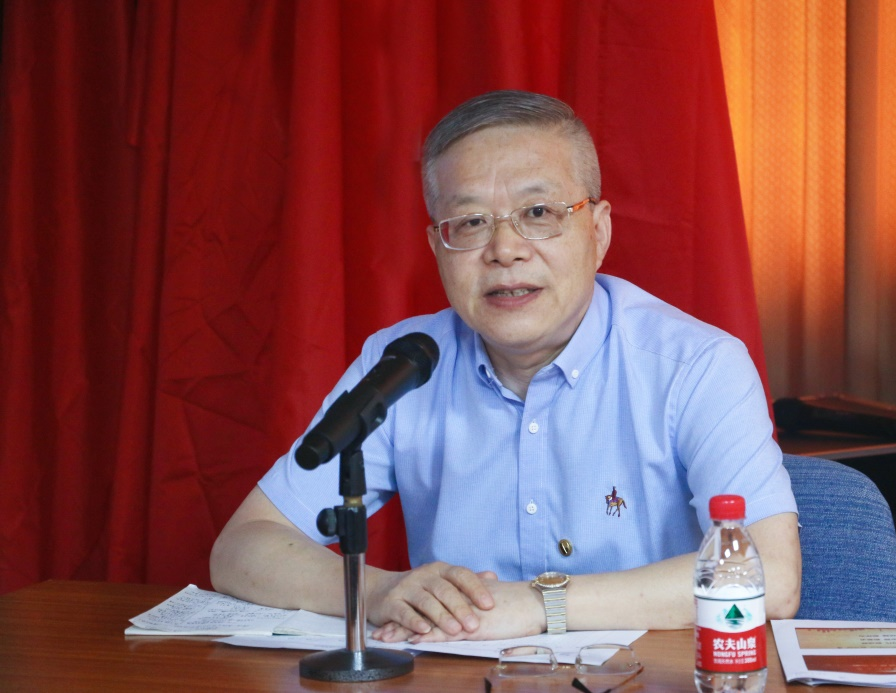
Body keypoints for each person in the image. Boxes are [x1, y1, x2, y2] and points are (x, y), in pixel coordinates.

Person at [210, 90, 801, 643]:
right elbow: (242, 546)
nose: (505, 250)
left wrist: (540, 605)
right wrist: (381, 592)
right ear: (437, 247)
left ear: (598, 232)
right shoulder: (402, 365)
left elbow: (770, 574)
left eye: (538, 212)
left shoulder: (696, 366)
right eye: (470, 223)